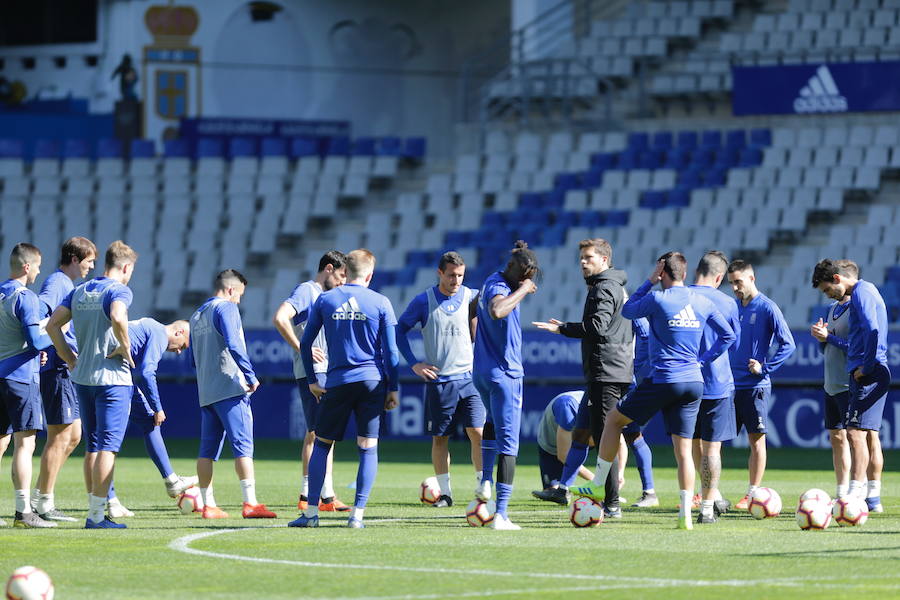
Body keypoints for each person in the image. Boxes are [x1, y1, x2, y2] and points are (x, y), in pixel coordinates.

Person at [572, 252, 735, 530]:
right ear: (685, 273)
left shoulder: (658, 298)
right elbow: (728, 336)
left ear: (663, 273)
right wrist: (703, 360)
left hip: (663, 379)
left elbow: (627, 309)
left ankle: (599, 483)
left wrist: (649, 281)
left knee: (613, 420)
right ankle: (685, 516)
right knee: (684, 450)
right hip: (694, 382)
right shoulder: (703, 301)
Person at [289, 249, 400, 529]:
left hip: (336, 381)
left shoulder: (326, 299)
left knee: (323, 445)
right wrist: (394, 387)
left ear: (346, 271)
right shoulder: (381, 302)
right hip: (372, 381)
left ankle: (312, 513)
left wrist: (313, 380)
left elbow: (305, 342)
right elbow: (392, 351)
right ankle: (357, 515)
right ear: (370, 274)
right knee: (368, 447)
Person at [533, 238, 631, 517]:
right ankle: (565, 488)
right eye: (581, 258)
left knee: (604, 440)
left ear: (604, 259)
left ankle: (611, 503)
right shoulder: (614, 286)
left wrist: (563, 328)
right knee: (582, 432)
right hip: (607, 370)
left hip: (607, 372)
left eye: (588, 257)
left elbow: (597, 327)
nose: (583, 262)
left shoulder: (604, 287)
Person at [47, 241, 137, 529]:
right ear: (126, 267)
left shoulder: (80, 290)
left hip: (83, 379)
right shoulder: (118, 290)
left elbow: (52, 325)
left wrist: (69, 358)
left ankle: (96, 510)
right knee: (108, 448)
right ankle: (97, 516)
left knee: (94, 445)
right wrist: (125, 346)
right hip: (112, 380)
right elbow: (118, 316)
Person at [397, 251, 484, 507]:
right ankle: (445, 494)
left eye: (460, 275)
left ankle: (482, 490)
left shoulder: (472, 297)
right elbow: (399, 331)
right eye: (451, 275)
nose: (456, 280)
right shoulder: (423, 301)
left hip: (470, 378)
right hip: (440, 380)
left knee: (477, 432)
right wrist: (414, 364)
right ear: (439, 273)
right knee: (440, 437)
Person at [188, 269, 276, 520]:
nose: (239, 301)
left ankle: (208, 505)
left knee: (206, 451)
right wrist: (250, 375)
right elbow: (234, 343)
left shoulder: (196, 315)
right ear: (230, 290)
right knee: (243, 446)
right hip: (230, 387)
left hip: (206, 390)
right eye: (239, 295)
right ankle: (250, 503)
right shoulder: (225, 308)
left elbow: (193, 359)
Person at [272, 250, 350, 513]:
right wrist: (301, 348)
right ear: (328, 269)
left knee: (324, 433)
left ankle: (326, 495)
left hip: (328, 370)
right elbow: (280, 317)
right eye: (340, 275)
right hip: (314, 372)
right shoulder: (308, 290)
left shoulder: (327, 297)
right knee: (317, 433)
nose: (342, 282)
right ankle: (309, 495)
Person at [811, 258, 889, 511]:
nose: (828, 295)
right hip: (862, 372)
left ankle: (856, 496)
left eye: (826, 289)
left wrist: (866, 366)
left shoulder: (862, 293)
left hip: (868, 372)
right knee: (861, 435)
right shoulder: (861, 294)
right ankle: (870, 498)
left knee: (857, 434)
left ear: (836, 279)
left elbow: (872, 331)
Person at [97, 318, 197, 514]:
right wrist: (157, 407)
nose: (178, 351)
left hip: (96, 374)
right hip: (114, 378)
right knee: (109, 442)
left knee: (104, 439)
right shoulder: (159, 333)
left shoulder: (148, 326)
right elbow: (146, 372)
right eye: (183, 346)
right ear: (178, 333)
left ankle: (111, 500)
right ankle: (170, 482)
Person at [472, 241, 538, 530]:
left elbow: (473, 306)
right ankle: (501, 514)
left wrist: (477, 342)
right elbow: (498, 311)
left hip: (483, 372)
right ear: (522, 273)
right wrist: (524, 291)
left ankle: (485, 480)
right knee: (510, 444)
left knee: (491, 423)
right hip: (505, 374)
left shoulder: (490, 279)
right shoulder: (504, 289)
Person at [32, 237, 96, 522]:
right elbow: (39, 314)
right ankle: (42, 503)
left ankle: (42, 497)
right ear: (74, 259)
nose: (91, 267)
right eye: (88, 261)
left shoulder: (67, 285)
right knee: (60, 435)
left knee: (73, 435)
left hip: (67, 369)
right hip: (58, 368)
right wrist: (46, 350)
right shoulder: (57, 283)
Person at [726, 260, 795, 510]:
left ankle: (752, 494)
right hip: (728, 386)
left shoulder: (767, 308)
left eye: (738, 282)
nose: (734, 288)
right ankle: (706, 494)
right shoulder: (732, 307)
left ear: (752, 279)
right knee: (710, 440)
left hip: (754, 387)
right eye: (731, 283)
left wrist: (764, 368)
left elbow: (788, 344)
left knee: (756, 440)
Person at [0, 243, 55, 528]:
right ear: (26, 266)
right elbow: (36, 341)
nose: (38, 271)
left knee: (0, 442)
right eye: (36, 266)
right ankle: (24, 512)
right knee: (25, 443)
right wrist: (56, 336)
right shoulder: (27, 297)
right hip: (20, 378)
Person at [688, 251, 741, 524]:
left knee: (690, 444)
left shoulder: (679, 297)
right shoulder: (727, 303)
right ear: (719, 277)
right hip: (715, 383)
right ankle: (707, 507)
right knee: (712, 449)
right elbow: (735, 343)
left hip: (682, 381)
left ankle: (710, 494)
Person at [531, 390, 594, 503]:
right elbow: (564, 456)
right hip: (550, 446)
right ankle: (560, 488)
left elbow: (619, 442)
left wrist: (618, 475)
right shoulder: (568, 408)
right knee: (554, 492)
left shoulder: (606, 410)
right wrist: (597, 481)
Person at [622, 317, 657, 508]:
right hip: (603, 377)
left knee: (633, 435)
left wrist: (632, 366)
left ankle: (649, 492)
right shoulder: (602, 302)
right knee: (597, 433)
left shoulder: (629, 308)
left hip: (622, 381)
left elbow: (646, 336)